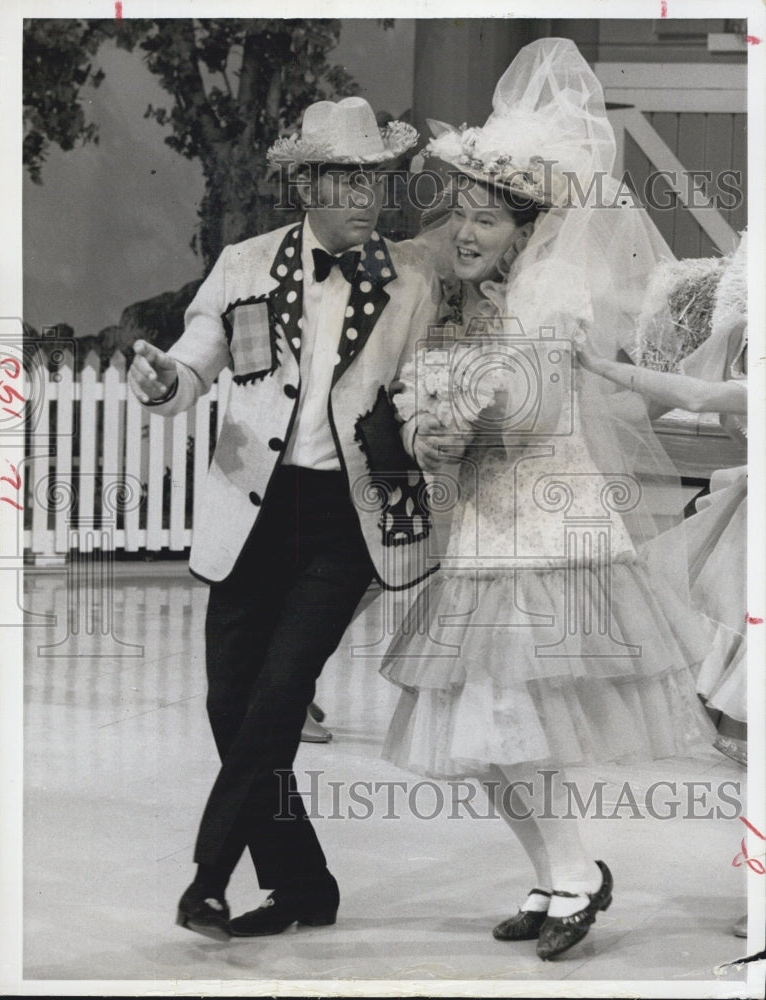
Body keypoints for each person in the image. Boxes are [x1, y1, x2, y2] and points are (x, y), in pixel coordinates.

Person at [380, 38, 721, 961]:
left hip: (546, 527)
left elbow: (528, 415)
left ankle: (574, 876)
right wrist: (428, 427)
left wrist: (453, 421)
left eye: (488, 219)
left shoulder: (550, 296)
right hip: (487, 529)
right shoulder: (468, 300)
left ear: (527, 226)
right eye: (460, 217)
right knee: (481, 731)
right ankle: (556, 872)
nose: (468, 233)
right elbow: (446, 411)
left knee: (507, 718)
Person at [128, 96, 439, 940]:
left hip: (346, 519)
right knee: (232, 705)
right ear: (306, 182)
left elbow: (414, 389)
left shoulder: (410, 280)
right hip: (250, 511)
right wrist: (166, 381)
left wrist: (434, 422)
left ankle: (207, 878)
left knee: (279, 693)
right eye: (345, 178)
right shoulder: (244, 264)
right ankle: (303, 885)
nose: (365, 195)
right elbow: (196, 356)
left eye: (375, 178)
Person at [579, 231, 749, 768]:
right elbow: (651, 402)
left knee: (734, 594)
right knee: (711, 592)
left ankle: (744, 726)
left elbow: (701, 398)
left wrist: (599, 364)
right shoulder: (738, 335)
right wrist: (576, 419)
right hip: (753, 496)